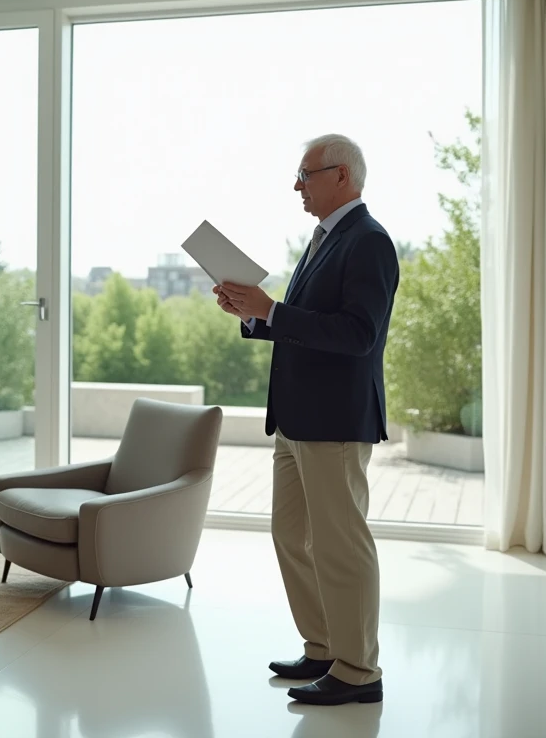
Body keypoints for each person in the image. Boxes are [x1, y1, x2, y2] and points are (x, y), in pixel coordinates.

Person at [215, 134, 399, 707]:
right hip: (295, 420)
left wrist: (271, 309)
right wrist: (254, 314)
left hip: (334, 420)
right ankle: (323, 647)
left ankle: (359, 670)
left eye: (305, 174)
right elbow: (301, 322)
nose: (296, 186)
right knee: (291, 536)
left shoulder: (368, 242)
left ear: (341, 176)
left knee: (341, 544)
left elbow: (357, 334)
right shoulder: (323, 240)